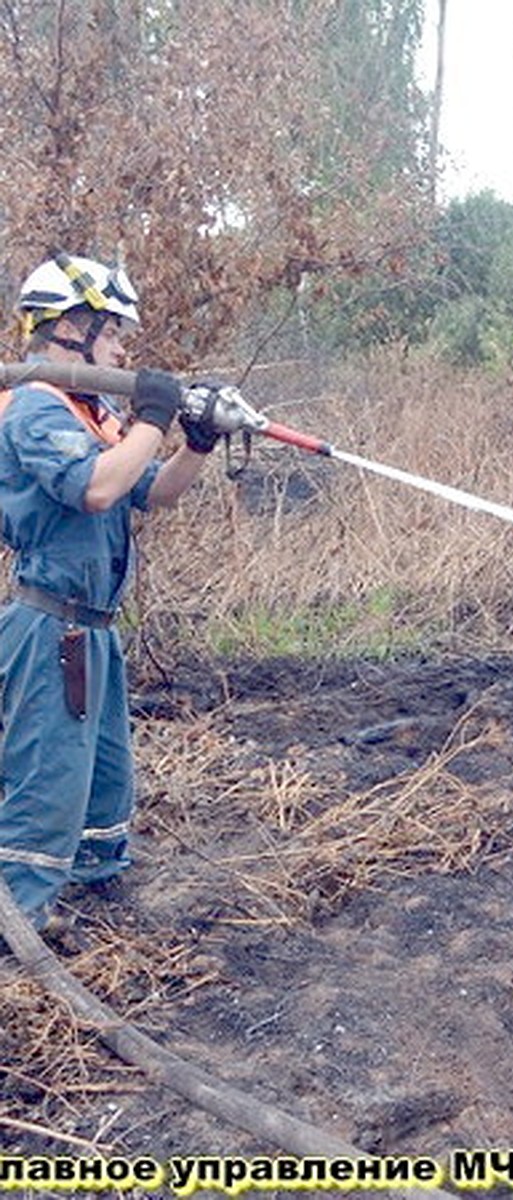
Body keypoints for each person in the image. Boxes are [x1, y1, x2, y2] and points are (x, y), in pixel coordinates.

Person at [0, 253, 223, 932]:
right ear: (73, 327)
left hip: (95, 627)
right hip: (49, 628)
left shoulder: (89, 412)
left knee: (101, 774)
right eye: (114, 333)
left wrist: (195, 443)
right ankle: (18, 919)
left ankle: (97, 890)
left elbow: (150, 489)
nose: (124, 348)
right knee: (48, 778)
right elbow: (96, 490)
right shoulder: (35, 408)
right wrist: (152, 416)